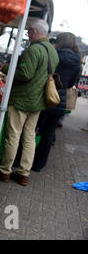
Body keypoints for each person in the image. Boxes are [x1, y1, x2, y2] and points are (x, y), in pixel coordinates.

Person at [0, 19, 59, 186]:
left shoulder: (33, 50)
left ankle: (5, 170)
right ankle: (24, 173)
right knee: (30, 137)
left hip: (22, 100)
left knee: (14, 136)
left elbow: (25, 74)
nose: (28, 35)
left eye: (29, 32)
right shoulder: (53, 52)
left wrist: (6, 68)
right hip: (39, 102)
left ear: (34, 31)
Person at [32, 32, 81, 172]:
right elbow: (73, 82)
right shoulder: (77, 60)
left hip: (45, 95)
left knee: (33, 128)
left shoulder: (54, 53)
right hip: (60, 99)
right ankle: (39, 164)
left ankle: (23, 159)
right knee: (49, 132)